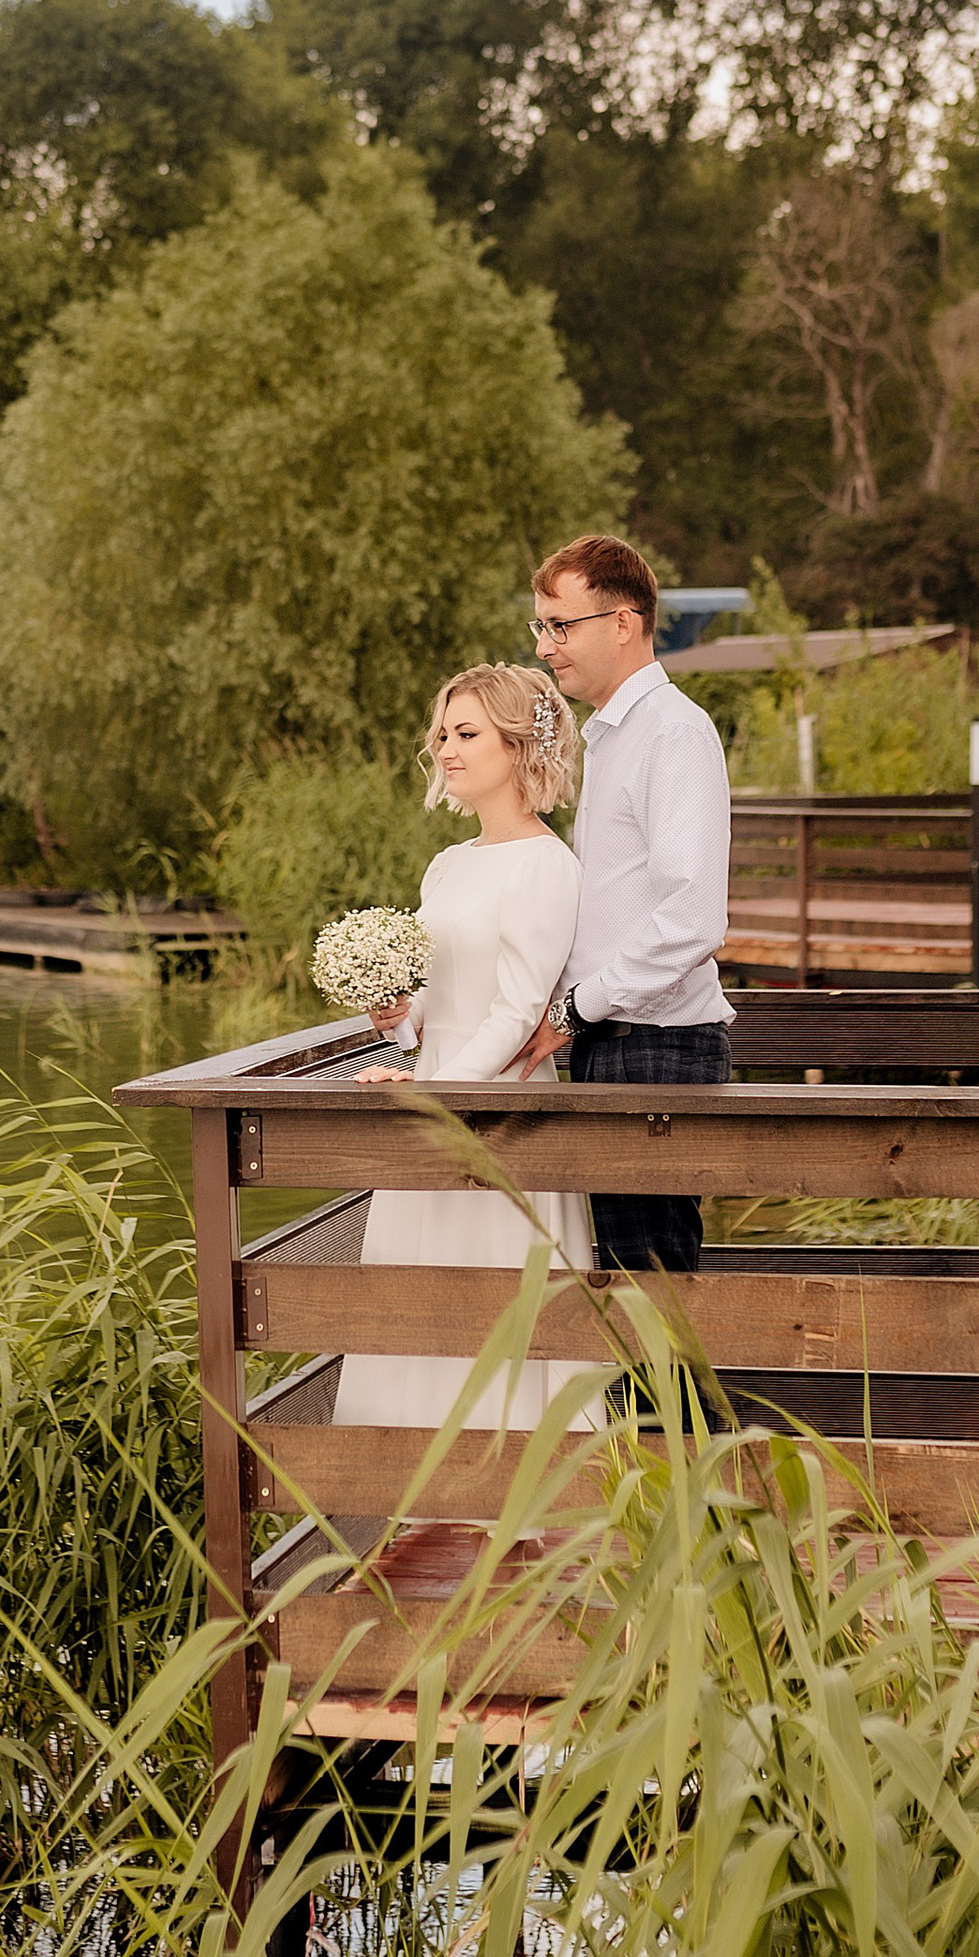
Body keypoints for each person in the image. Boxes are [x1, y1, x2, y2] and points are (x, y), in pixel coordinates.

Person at [332, 661, 584, 1432]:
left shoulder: (547, 865)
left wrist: (438, 1091)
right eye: (442, 734)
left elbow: (518, 1010)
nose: (445, 749)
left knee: (495, 1298)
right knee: (413, 1295)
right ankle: (405, 1477)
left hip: (498, 1105)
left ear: (518, 745)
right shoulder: (447, 865)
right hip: (435, 1086)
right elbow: (438, 1002)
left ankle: (513, 1481)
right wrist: (399, 1020)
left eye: (466, 733)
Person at [518, 531, 732, 1271]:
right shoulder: (615, 735)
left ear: (622, 622)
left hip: (654, 1045)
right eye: (541, 626)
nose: (544, 646)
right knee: (627, 1280)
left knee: (651, 1287)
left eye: (560, 626)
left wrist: (575, 1010)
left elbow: (694, 916)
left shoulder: (672, 732)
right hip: (617, 1037)